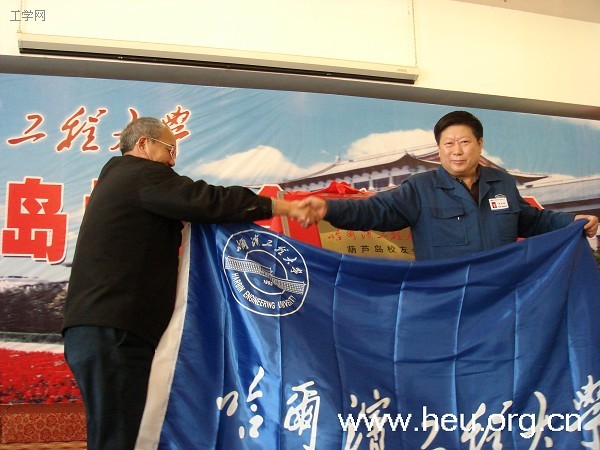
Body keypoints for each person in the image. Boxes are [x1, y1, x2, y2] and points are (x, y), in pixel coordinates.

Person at [62, 117, 310, 449]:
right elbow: (206, 200)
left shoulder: (118, 180)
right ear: (144, 144)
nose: (173, 161)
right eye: (169, 150)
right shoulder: (141, 175)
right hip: (115, 331)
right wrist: (281, 206)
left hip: (97, 329)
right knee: (122, 438)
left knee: (115, 434)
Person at [299, 110, 598, 260]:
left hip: (503, 294)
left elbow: (531, 221)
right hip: (446, 299)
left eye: (464, 142)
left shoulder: (503, 183)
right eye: (448, 144)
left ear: (479, 144)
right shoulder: (420, 188)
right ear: (439, 149)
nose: (457, 151)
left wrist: (572, 221)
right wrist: (328, 208)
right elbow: (375, 211)